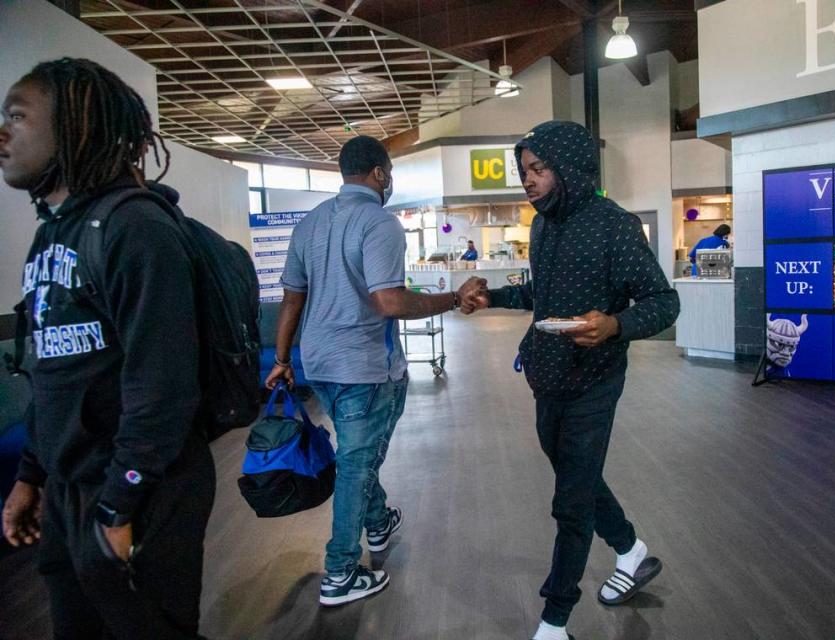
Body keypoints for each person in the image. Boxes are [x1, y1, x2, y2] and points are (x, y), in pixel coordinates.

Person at [0, 58, 215, 638]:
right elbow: (53, 373)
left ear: (72, 125)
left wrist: (121, 505)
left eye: (17, 116)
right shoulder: (52, 233)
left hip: (140, 491)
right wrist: (32, 475)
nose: (3, 132)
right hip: (71, 493)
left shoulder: (136, 228)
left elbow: (162, 388)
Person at [462, 121, 680, 640]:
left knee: (571, 501)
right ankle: (630, 550)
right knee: (575, 476)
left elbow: (664, 302)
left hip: (594, 380)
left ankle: (554, 622)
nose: (528, 180)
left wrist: (616, 325)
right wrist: (495, 295)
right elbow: (543, 294)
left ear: (570, 168)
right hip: (547, 376)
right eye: (524, 171)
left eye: (538, 169)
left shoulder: (615, 225)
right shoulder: (543, 226)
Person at [264, 135, 485, 607]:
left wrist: (283, 361)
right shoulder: (380, 224)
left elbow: (291, 300)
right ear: (381, 174)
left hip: (318, 364)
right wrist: (452, 298)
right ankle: (340, 572)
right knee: (357, 465)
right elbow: (389, 300)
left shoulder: (310, 223)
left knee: (356, 454)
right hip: (364, 366)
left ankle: (379, 522)